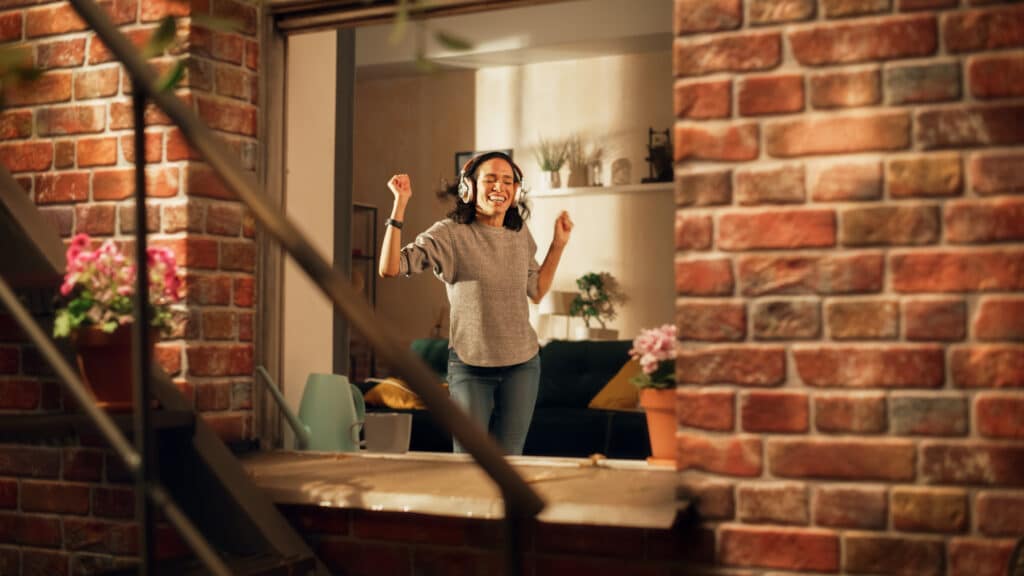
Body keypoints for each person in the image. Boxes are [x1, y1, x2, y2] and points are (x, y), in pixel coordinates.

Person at [378, 151, 573, 455]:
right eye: (491, 179)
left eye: (508, 181)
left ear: (516, 191)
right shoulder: (449, 234)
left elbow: (536, 290)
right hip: (470, 365)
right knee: (469, 461)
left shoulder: (518, 232)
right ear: (468, 188)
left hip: (522, 364)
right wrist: (399, 206)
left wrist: (558, 245)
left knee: (510, 460)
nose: (500, 187)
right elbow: (390, 268)